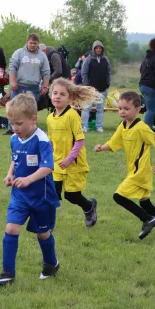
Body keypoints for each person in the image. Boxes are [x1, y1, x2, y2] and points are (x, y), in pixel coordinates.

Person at [0, 93, 60, 286]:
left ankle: (51, 263)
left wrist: (29, 179)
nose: (15, 128)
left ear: (34, 119)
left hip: (42, 197)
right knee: (11, 228)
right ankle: (7, 273)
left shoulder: (42, 140)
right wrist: (10, 174)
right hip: (20, 195)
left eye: (19, 124)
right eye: (12, 123)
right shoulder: (14, 139)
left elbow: (48, 166)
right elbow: (15, 158)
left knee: (43, 233)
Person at [95, 91, 155, 241]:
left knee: (118, 196)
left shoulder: (141, 127)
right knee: (146, 203)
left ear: (138, 109)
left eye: (126, 109)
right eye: (120, 108)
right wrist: (102, 147)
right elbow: (114, 142)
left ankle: (147, 220)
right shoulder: (124, 125)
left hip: (141, 172)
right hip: (134, 171)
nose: (122, 112)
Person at [47, 78, 99, 227]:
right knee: (53, 195)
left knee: (71, 196)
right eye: (55, 93)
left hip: (74, 164)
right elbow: (51, 141)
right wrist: (47, 158)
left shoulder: (72, 115)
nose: (57, 96)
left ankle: (89, 207)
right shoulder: (50, 118)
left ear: (70, 98)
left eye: (62, 94)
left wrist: (69, 159)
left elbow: (80, 140)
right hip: (57, 163)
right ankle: (48, 224)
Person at [5, 33, 50, 135]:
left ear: (38, 44)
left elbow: (46, 71)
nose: (32, 45)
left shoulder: (42, 56)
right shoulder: (19, 53)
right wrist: (12, 82)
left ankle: (30, 129)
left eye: (35, 43)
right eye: (31, 43)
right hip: (19, 85)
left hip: (33, 87)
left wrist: (45, 86)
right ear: (27, 42)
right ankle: (11, 129)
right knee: (14, 108)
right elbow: (12, 67)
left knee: (31, 109)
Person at [81, 40, 111, 133]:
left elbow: (108, 73)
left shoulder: (105, 60)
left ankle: (99, 126)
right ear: (94, 49)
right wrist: (86, 85)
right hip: (90, 89)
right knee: (86, 108)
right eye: (96, 48)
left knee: (100, 109)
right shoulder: (88, 60)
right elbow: (84, 73)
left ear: (102, 49)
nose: (98, 49)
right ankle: (85, 126)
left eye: (100, 48)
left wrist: (108, 83)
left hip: (102, 89)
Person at [139, 38, 155, 128]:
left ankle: (146, 127)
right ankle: (147, 128)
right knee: (151, 109)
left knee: (149, 108)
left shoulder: (146, 57)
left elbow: (140, 70)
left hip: (142, 85)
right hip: (151, 86)